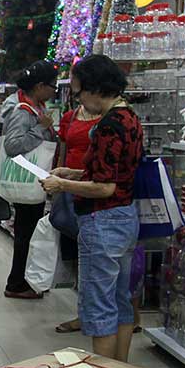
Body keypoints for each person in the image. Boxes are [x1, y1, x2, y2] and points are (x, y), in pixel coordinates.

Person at [41, 54, 143, 362]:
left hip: (103, 220)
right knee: (121, 299)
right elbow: (114, 173)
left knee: (99, 304)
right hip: (126, 217)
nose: (80, 101)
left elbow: (104, 187)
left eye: (80, 93)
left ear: (96, 88)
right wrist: (72, 173)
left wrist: (62, 185)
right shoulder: (130, 117)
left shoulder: (107, 126)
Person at [1, 60, 59, 299]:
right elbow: (12, 145)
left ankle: (23, 280)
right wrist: (40, 129)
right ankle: (17, 283)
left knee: (28, 232)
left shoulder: (36, 108)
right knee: (26, 233)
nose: (54, 91)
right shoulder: (23, 112)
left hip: (33, 178)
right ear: (39, 86)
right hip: (27, 179)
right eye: (52, 86)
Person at [54, 102, 100, 334]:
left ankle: (123, 316)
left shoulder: (112, 118)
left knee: (99, 258)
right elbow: (63, 151)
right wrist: (59, 179)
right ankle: (84, 311)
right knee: (77, 252)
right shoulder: (71, 116)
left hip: (97, 194)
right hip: (71, 190)